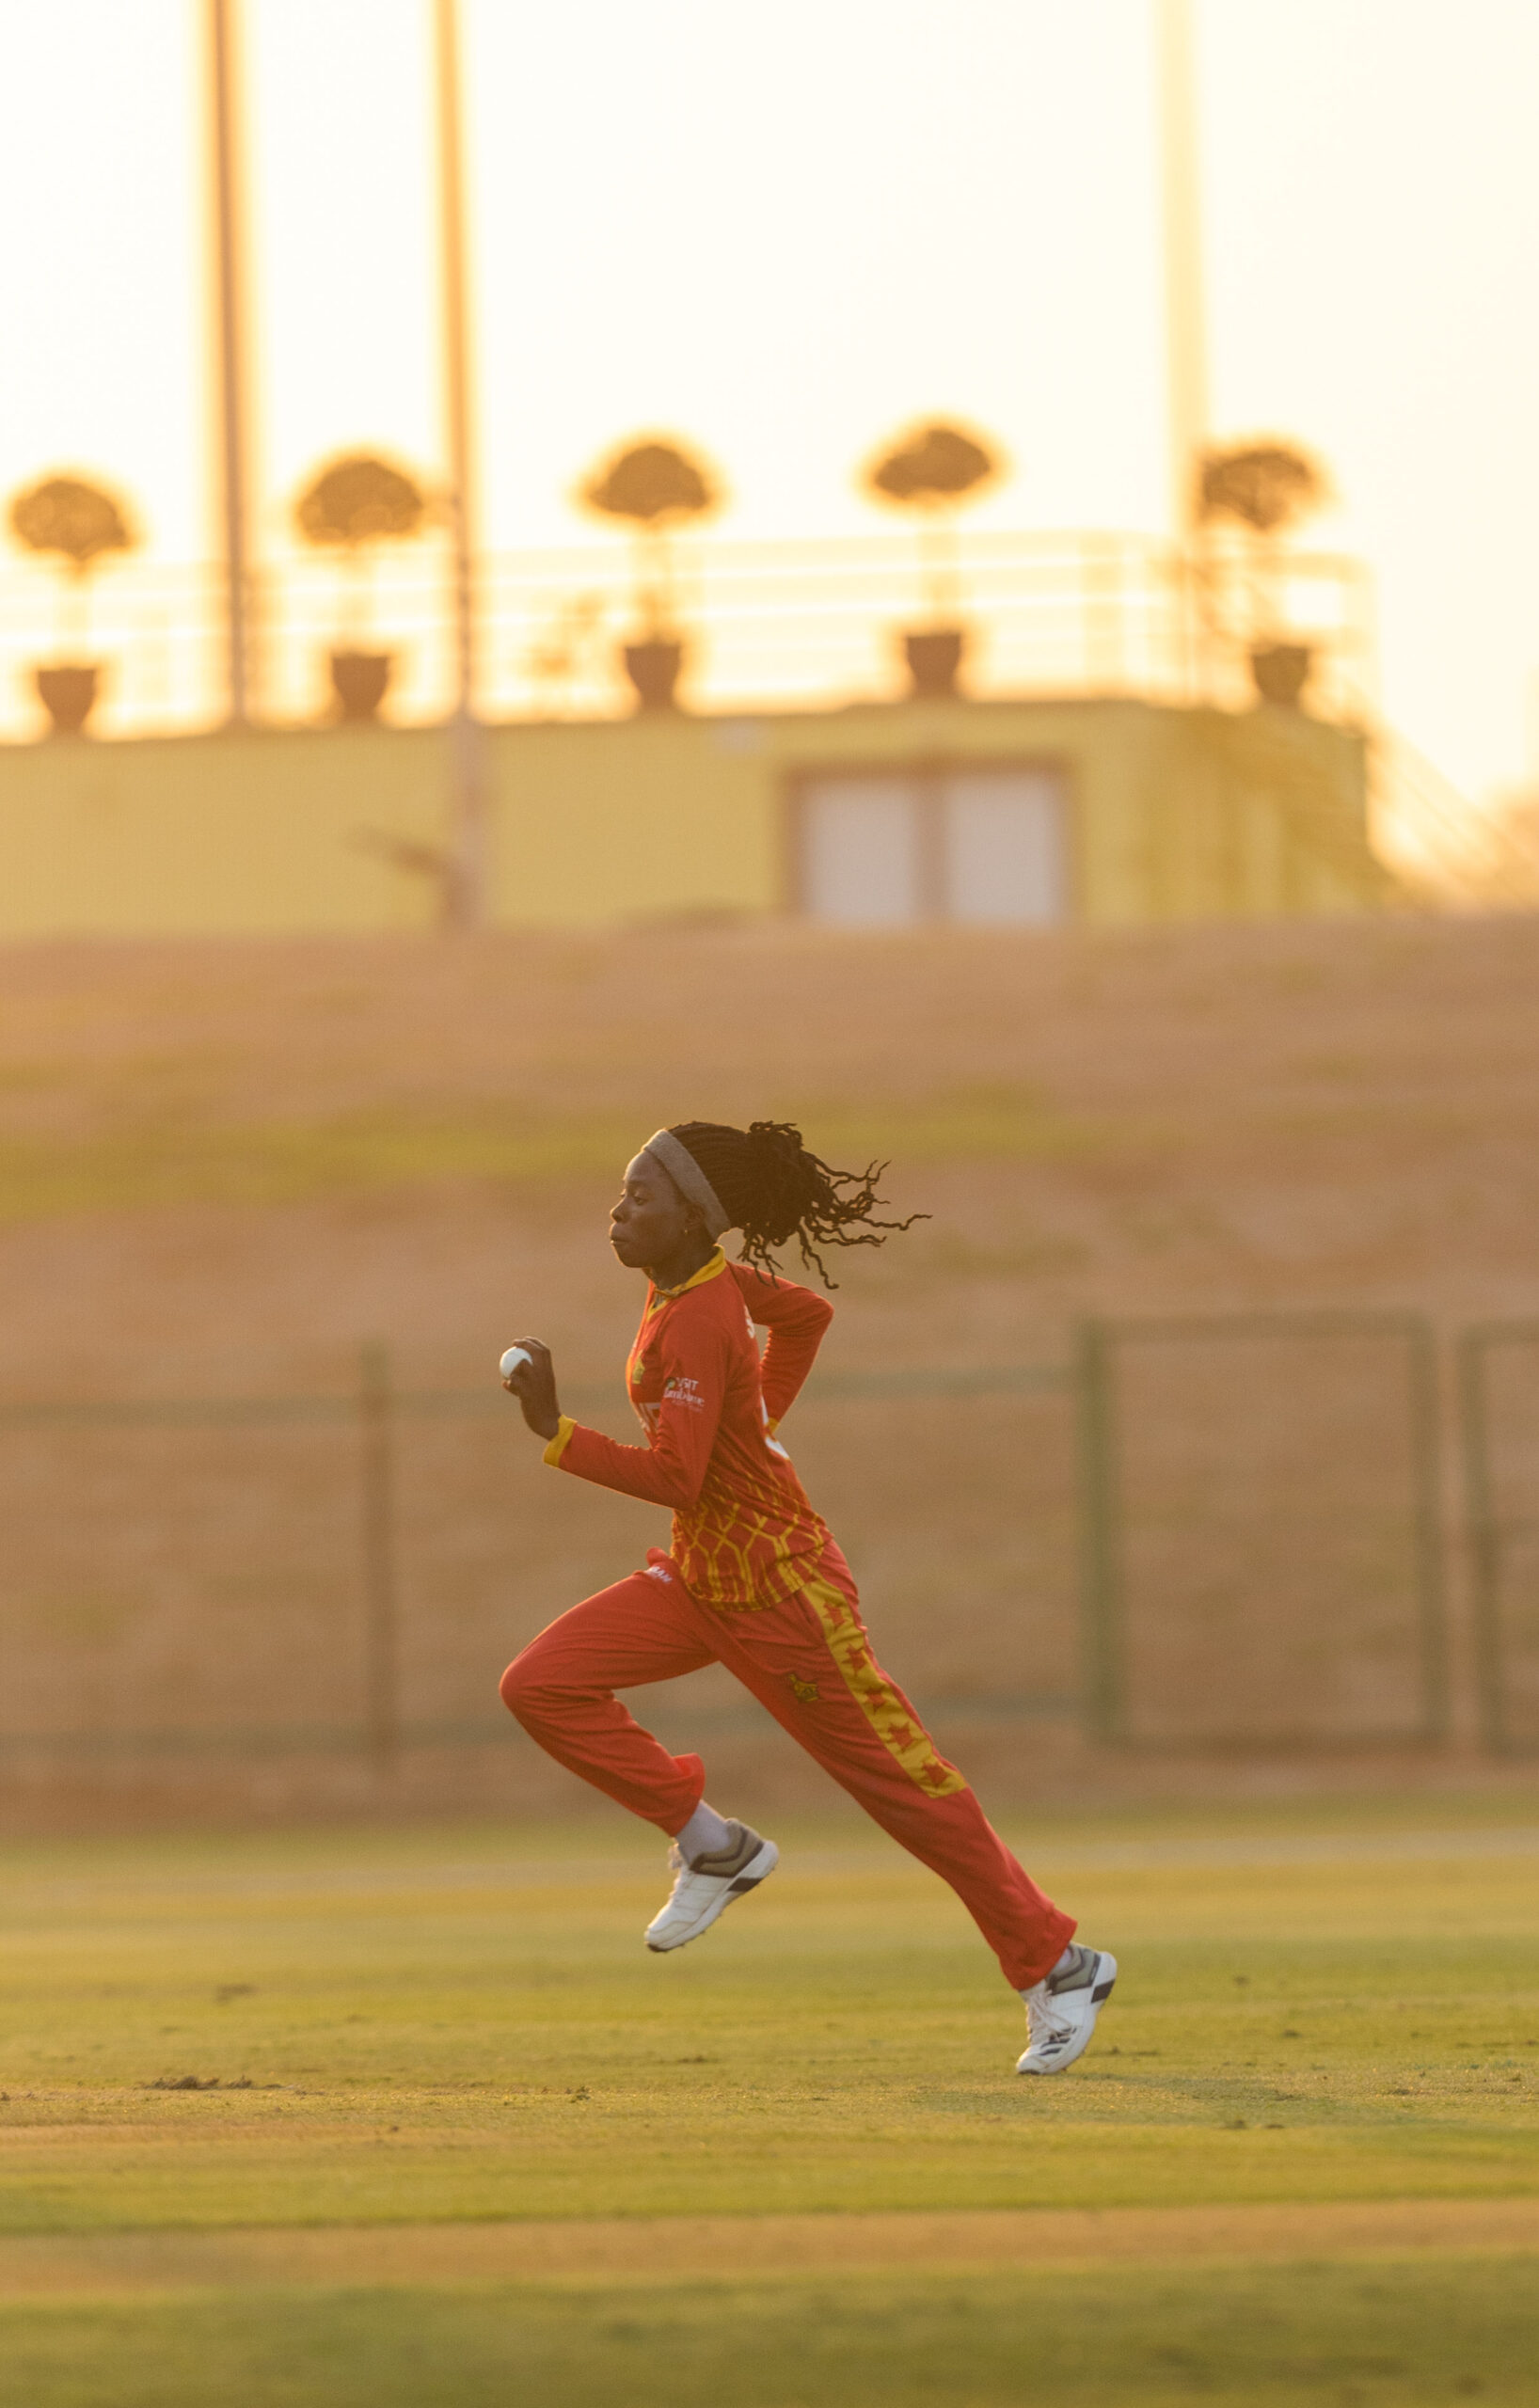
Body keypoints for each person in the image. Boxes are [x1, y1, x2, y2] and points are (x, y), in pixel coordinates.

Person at [498, 1118, 1115, 2074]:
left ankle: (1059, 1965)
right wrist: (761, 1419)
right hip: (701, 1576)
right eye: (622, 1191)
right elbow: (805, 1319)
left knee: (907, 1791)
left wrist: (554, 1429)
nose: (620, 1209)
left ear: (697, 1216)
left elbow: (676, 1477)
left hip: (782, 1596)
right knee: (541, 1684)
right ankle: (713, 1846)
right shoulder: (696, 1286)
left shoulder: (700, 1315)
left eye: (642, 1196)